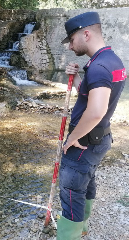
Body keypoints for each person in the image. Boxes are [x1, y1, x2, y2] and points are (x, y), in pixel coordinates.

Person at [57, 12, 127, 239]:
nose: (69, 46)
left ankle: (70, 235)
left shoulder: (98, 67)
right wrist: (77, 77)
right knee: (85, 183)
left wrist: (73, 138)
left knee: (70, 192)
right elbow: (90, 97)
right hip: (100, 139)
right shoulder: (111, 61)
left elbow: (95, 111)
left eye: (71, 40)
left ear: (86, 33)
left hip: (84, 141)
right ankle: (83, 227)